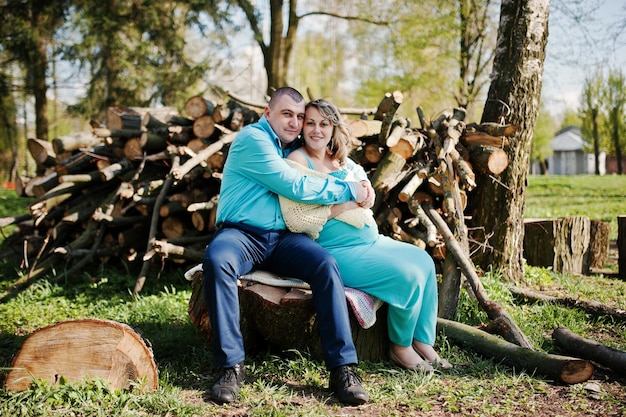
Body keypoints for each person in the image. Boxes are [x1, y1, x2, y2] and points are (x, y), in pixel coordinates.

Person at [202, 87, 374, 406]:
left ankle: (343, 369)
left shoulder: (292, 145)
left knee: (324, 264)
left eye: (299, 116)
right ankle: (230, 367)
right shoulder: (253, 140)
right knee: (217, 260)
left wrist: (361, 181)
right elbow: (294, 184)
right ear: (267, 113)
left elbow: (327, 155)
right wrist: (349, 188)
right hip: (242, 235)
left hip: (282, 239)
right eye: (287, 114)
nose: (295, 123)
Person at [280, 98, 452, 372]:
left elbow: (365, 191)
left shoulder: (339, 159)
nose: (316, 130)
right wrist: (349, 201)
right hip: (336, 249)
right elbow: (298, 218)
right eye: (310, 123)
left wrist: (363, 194)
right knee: (406, 277)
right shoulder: (297, 160)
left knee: (424, 262)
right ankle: (400, 346)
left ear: (333, 127)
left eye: (324, 123)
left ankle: (423, 341)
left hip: (371, 241)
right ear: (302, 126)